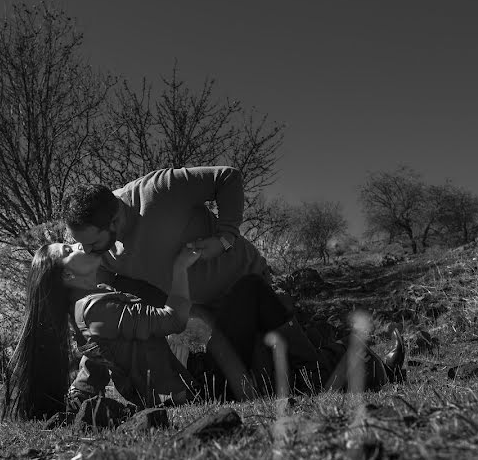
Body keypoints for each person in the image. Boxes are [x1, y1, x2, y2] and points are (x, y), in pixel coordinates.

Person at [63, 166, 322, 403]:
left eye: (93, 243)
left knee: (297, 372)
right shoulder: (102, 256)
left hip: (249, 283)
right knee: (242, 382)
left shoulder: (159, 190)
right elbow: (102, 324)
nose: (87, 251)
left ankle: (320, 365)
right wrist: (83, 386)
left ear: (114, 222)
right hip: (208, 317)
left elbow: (227, 177)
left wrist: (225, 237)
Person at [2, 242, 203, 420]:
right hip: (175, 393)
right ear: (68, 274)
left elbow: (99, 356)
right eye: (68, 250)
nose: (78, 244)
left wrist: (80, 394)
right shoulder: (97, 308)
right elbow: (174, 321)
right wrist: (181, 267)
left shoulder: (83, 304)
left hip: (164, 390)